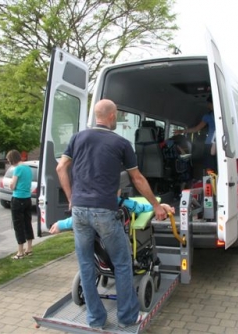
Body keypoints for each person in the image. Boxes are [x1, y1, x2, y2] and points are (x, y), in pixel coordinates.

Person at [56, 99, 167, 329]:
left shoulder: (77, 137)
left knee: (87, 265)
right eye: (117, 115)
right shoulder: (121, 143)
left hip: (79, 211)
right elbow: (137, 178)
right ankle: (127, 317)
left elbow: (61, 168)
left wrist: (70, 198)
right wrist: (156, 206)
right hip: (104, 211)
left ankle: (96, 319)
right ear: (112, 116)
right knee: (123, 263)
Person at [174, 94, 216, 171]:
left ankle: (211, 180)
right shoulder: (223, 114)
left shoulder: (208, 116)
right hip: (221, 143)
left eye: (209, 103)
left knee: (209, 166)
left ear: (212, 103)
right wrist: (182, 131)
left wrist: (182, 131)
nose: (208, 105)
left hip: (209, 143)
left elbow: (196, 129)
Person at [6, 150, 34, 260]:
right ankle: (29, 248)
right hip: (27, 198)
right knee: (28, 222)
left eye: (9, 160)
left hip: (18, 198)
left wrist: (10, 185)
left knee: (18, 225)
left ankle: (20, 251)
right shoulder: (28, 168)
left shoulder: (17, 169)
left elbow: (13, 185)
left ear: (12, 159)